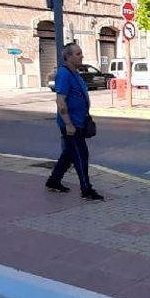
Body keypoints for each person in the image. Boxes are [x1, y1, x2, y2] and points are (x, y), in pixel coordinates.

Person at [45, 42, 103, 201]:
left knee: (70, 154)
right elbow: (60, 100)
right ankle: (86, 189)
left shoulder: (75, 73)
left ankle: (54, 181)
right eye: (78, 54)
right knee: (81, 155)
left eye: (81, 53)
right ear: (68, 57)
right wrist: (68, 124)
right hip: (71, 125)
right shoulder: (64, 74)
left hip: (79, 122)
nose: (81, 56)